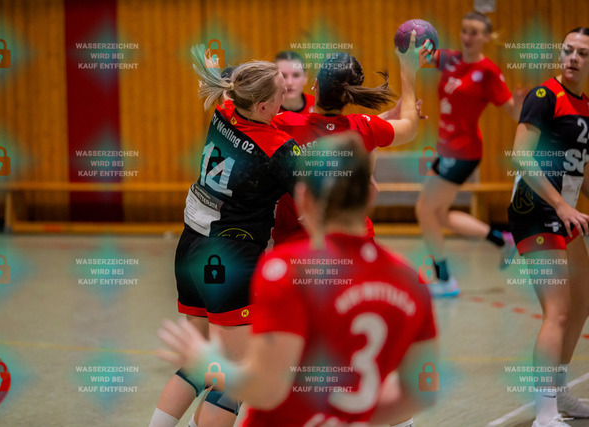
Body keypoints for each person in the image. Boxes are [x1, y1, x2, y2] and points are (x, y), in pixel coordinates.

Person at [158, 133, 439, 426]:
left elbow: (266, 390)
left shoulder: (283, 271)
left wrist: (205, 361)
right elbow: (422, 393)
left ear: (302, 198)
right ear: (371, 193)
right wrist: (348, 412)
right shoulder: (409, 280)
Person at [149, 45, 300, 427]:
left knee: (199, 364)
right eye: (281, 89)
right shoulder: (279, 149)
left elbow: (231, 82)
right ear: (263, 107)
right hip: (229, 258)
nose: (287, 92)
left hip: (190, 247)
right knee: (237, 376)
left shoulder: (225, 110)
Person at [271, 35, 429, 247]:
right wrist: (408, 69)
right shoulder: (365, 128)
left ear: (315, 84)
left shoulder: (283, 124)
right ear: (351, 96)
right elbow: (409, 126)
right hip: (353, 241)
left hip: (297, 243)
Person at [507, 27, 589, 427]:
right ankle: (544, 413)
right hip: (536, 209)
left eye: (582, 53)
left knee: (583, 300)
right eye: (568, 50)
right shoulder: (543, 96)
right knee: (557, 311)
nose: (573, 58)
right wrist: (559, 204)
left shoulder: (585, 106)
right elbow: (521, 156)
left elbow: (581, 171)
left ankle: (559, 391)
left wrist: (568, 206)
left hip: (565, 212)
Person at [415, 11, 527, 297]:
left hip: (463, 151)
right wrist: (412, 42)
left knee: (425, 210)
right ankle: (501, 240)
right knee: (438, 214)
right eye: (464, 30)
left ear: (486, 37)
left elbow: (514, 113)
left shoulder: (488, 71)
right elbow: (419, 57)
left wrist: (519, 104)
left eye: (474, 32)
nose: (467, 37)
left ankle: (444, 280)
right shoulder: (449, 59)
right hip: (446, 148)